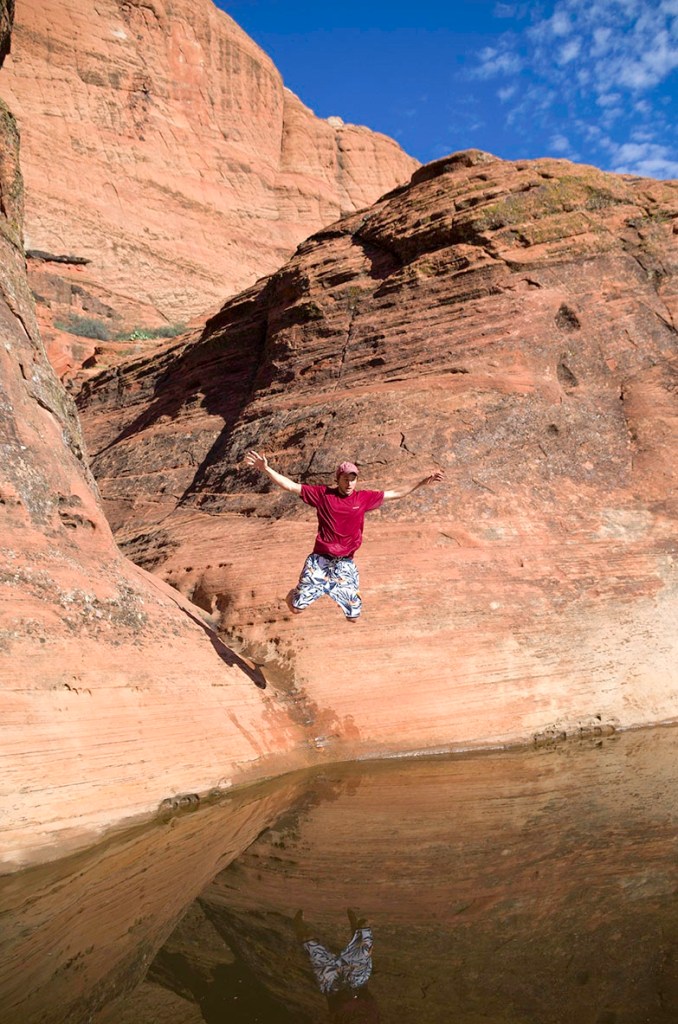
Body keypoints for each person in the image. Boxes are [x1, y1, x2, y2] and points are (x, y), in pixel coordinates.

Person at [244, 451, 443, 622]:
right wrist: (266, 469)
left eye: (353, 479)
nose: (349, 483)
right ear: (338, 478)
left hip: (344, 564)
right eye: (346, 479)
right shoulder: (323, 495)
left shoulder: (363, 498)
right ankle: (292, 595)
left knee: (353, 618)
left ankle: (347, 589)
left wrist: (420, 484)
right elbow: (291, 486)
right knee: (296, 609)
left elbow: (396, 493)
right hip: (320, 560)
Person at [294, 908, 380, 1023]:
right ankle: (356, 928)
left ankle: (297, 924)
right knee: (363, 934)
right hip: (356, 983)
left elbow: (334, 1011)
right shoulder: (372, 1019)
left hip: (333, 986)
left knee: (308, 940)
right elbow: (371, 1003)